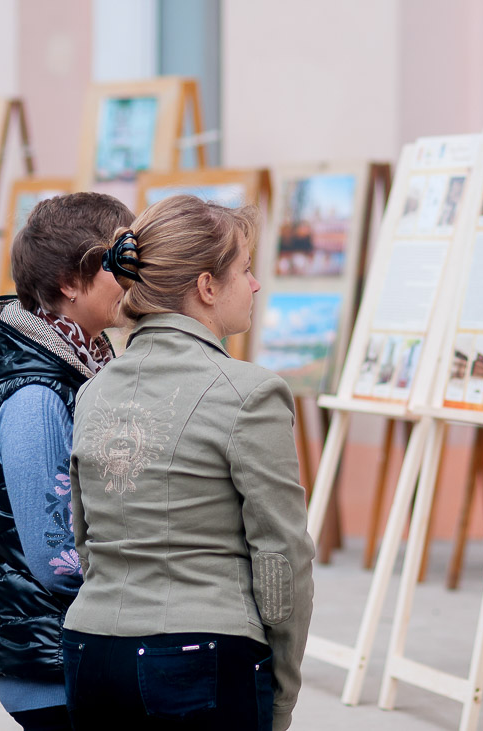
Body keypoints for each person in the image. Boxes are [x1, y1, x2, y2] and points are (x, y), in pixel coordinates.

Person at [65, 195, 316, 731]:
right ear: (206, 286)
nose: (254, 284)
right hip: (200, 656)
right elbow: (281, 557)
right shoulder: (250, 393)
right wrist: (281, 692)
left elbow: (84, 535)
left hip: (90, 651)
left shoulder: (94, 391)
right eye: (245, 270)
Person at [0, 192, 134, 731]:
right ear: (69, 281)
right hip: (53, 666)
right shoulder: (36, 396)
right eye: (118, 262)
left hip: (74, 653)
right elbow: (57, 560)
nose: (134, 275)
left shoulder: (82, 365)